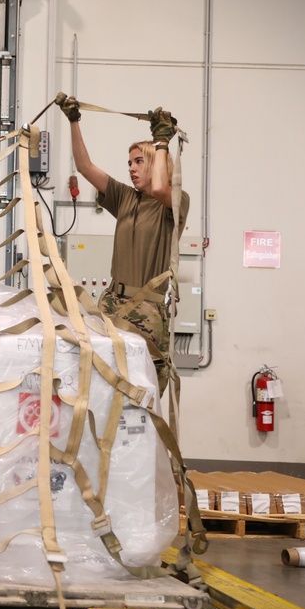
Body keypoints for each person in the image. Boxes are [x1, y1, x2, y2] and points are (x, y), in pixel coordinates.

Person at [57, 94, 189, 396]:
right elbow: (85, 166)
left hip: (147, 310)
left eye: (138, 161)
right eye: (129, 162)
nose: (131, 168)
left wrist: (161, 142)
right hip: (110, 303)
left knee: (138, 394)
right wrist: (74, 120)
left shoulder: (175, 202)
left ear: (155, 162)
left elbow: (158, 186)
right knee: (98, 388)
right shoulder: (126, 197)